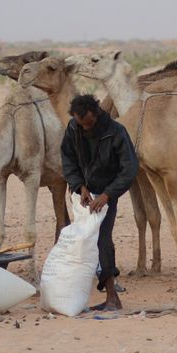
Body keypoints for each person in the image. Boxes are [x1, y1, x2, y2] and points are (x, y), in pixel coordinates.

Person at [60, 94, 138, 310]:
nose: (85, 128)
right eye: (80, 124)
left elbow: (129, 169)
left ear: (96, 114)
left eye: (88, 124)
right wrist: (79, 186)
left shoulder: (116, 132)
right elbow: (68, 159)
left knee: (103, 239)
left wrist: (107, 196)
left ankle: (113, 296)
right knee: (82, 241)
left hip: (107, 194)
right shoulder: (73, 128)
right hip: (84, 196)